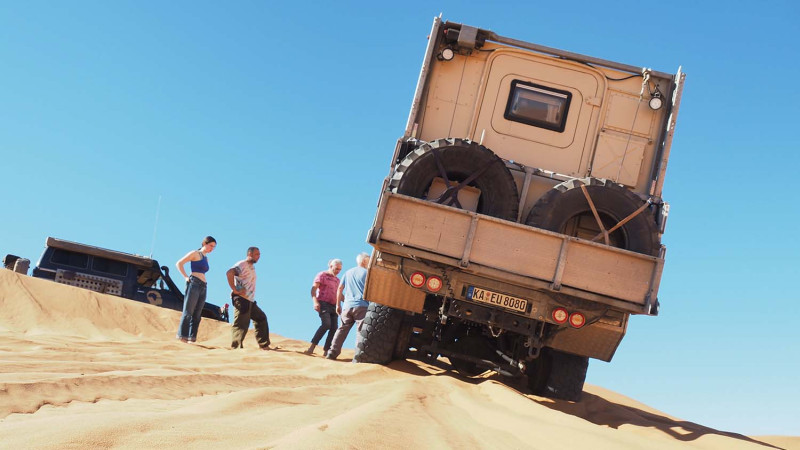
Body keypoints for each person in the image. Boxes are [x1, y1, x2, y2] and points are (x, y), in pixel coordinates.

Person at [326, 252, 370, 360]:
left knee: (341, 329)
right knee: (361, 331)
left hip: (347, 306)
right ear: (364, 261)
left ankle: (332, 352)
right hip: (362, 306)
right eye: (368, 260)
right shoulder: (368, 273)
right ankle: (358, 355)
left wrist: (338, 305)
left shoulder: (348, 272)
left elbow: (340, 289)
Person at [227, 247, 271, 350]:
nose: (258, 256)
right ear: (249, 254)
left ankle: (264, 344)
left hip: (250, 300)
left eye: (259, 254)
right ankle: (236, 347)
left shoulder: (251, 267)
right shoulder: (242, 264)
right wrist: (234, 289)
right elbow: (229, 273)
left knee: (261, 318)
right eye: (256, 254)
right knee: (241, 323)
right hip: (241, 299)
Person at [175, 236, 217, 343]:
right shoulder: (195, 253)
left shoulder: (206, 258)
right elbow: (179, 263)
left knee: (198, 313)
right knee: (188, 310)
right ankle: (182, 336)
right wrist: (185, 277)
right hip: (194, 283)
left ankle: (192, 338)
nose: (212, 249)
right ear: (205, 244)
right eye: (211, 246)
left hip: (203, 286)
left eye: (214, 247)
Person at [304, 259, 342, 355]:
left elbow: (340, 294)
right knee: (326, 324)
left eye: (340, 269)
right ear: (331, 266)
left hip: (334, 306)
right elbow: (313, 289)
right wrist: (315, 302)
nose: (338, 271)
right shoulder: (322, 275)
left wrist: (347, 301)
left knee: (334, 328)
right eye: (336, 268)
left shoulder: (337, 280)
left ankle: (326, 350)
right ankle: (312, 347)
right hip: (323, 303)